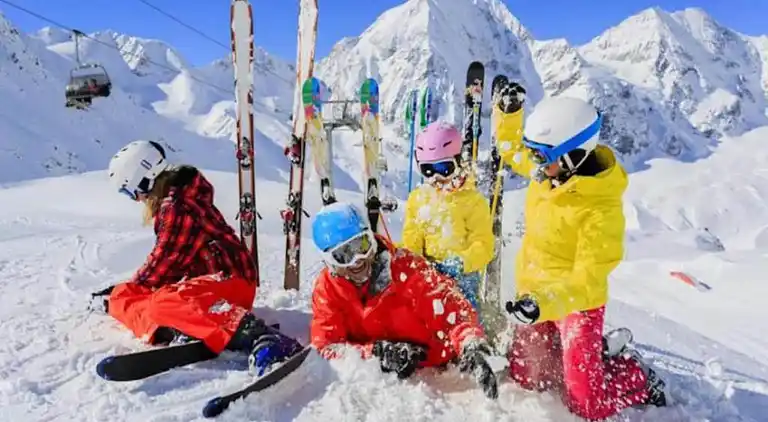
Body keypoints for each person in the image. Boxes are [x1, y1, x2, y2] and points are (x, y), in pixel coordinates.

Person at [492, 88, 668, 420]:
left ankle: (635, 376)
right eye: (535, 154)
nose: (535, 164)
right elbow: (512, 152)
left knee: (585, 403)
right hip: (535, 292)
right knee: (528, 378)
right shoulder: (548, 174)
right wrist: (510, 115)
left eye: (542, 156)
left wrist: (542, 305)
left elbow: (587, 281)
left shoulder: (601, 209)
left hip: (576, 304)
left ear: (573, 156)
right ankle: (580, 355)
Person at [94, 140, 300, 375]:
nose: (137, 199)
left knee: (160, 302)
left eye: (131, 192)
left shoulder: (177, 207)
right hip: (218, 287)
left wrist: (125, 291)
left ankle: (260, 336)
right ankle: (185, 327)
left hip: (230, 283)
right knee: (154, 302)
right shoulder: (178, 199)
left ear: (143, 180)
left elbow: (163, 264)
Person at [309, 202, 498, 399]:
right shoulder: (327, 290)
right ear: (329, 261)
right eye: (343, 255)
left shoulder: (405, 267)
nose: (357, 259)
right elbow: (326, 346)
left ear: (371, 239)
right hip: (382, 393)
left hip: (438, 377)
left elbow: (451, 308)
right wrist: (377, 354)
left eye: (361, 245)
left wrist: (469, 342)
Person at [401, 121, 494, 310]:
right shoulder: (418, 199)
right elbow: (412, 239)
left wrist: (460, 263)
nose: (436, 177)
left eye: (444, 168)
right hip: (428, 276)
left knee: (462, 314)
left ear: (459, 162)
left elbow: (484, 246)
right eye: (428, 170)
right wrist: (413, 262)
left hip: (462, 277)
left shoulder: (472, 201)